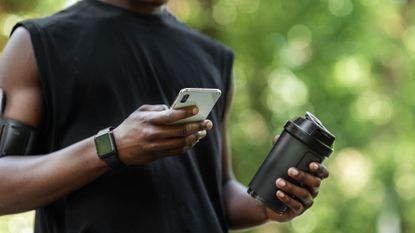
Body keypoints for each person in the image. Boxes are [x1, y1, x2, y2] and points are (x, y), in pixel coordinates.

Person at [0, 0, 329, 232]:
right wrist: (111, 147)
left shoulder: (213, 58)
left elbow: (218, 190)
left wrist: (267, 205)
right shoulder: (35, 44)